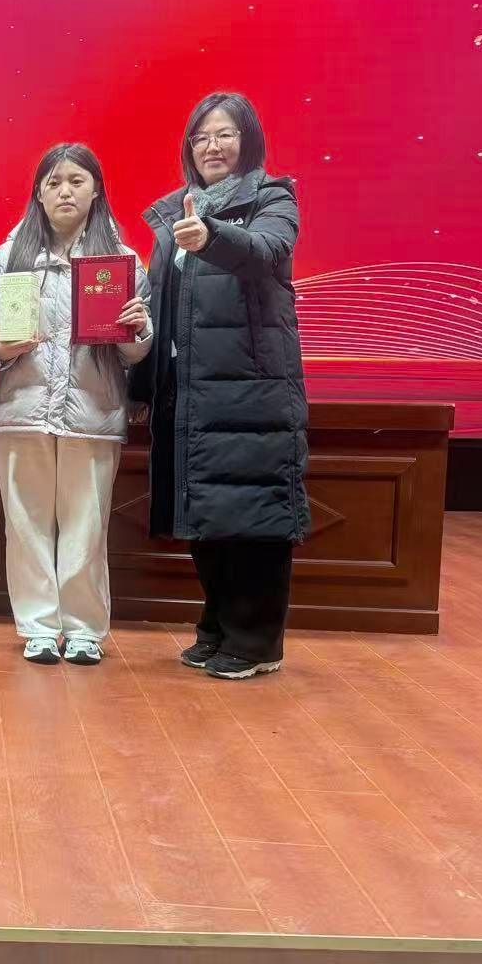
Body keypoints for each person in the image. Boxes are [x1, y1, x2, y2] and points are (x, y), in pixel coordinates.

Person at [131, 92, 309, 679]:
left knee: (254, 515)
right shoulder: (173, 213)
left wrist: (210, 236)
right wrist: (142, 379)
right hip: (189, 390)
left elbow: (267, 251)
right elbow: (165, 305)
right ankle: (217, 626)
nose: (212, 146)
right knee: (205, 512)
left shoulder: (272, 198)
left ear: (247, 140)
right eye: (202, 136)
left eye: (225, 134)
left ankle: (255, 641)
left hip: (252, 388)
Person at [0, 144, 152, 665]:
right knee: (25, 525)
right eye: (53, 183)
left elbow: (137, 351)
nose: (64, 192)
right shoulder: (10, 258)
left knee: (85, 527)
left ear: (96, 191)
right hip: (21, 410)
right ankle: (37, 626)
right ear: (38, 194)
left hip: (92, 412)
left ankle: (84, 630)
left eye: (76, 181)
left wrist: (137, 329)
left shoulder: (121, 263)